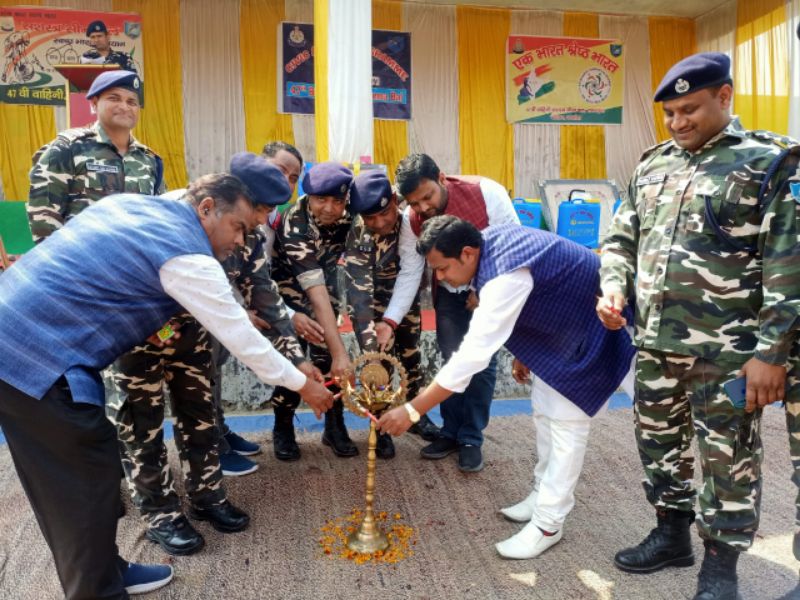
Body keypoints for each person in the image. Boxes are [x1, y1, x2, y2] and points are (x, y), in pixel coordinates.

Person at [0, 176, 332, 599]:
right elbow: (245, 342)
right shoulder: (188, 255)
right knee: (84, 484)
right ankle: (97, 589)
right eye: (239, 227)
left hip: (16, 339)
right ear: (207, 208)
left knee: (65, 482)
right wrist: (305, 385)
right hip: (34, 360)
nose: (240, 241)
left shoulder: (139, 205)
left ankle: (107, 570)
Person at [596, 52, 800, 600]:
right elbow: (621, 239)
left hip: (729, 352)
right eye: (670, 114)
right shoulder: (652, 164)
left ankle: (720, 567)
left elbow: (789, 262)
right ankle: (670, 536)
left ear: (725, 97)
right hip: (658, 343)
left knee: (726, 459)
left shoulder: (771, 161)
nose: (678, 122)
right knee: (657, 442)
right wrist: (613, 286)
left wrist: (771, 353)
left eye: (690, 109)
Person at [378, 215, 635, 559]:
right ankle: (542, 492)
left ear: (467, 254)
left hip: (604, 324)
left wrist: (413, 409)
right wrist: (524, 349)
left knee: (568, 426)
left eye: (441, 269)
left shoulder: (504, 275)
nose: (439, 278)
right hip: (563, 330)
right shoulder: (486, 243)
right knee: (545, 410)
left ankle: (548, 523)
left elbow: (471, 356)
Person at [107, 159, 323, 556]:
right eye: (258, 210)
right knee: (142, 427)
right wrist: (298, 380)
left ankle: (208, 496)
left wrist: (297, 360)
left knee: (201, 417)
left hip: (193, 336)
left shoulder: (250, 236)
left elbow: (264, 295)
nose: (261, 221)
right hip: (138, 335)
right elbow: (241, 332)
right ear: (232, 198)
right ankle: (161, 514)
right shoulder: (172, 213)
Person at [387, 153, 520, 472]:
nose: (422, 208)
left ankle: (471, 437)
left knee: (481, 364)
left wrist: (483, 287)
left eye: (427, 197)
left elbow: (513, 245)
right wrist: (390, 320)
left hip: (490, 293)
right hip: (448, 292)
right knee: (452, 360)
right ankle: (450, 432)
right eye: (414, 203)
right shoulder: (411, 218)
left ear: (443, 178)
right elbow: (409, 272)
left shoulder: (487, 192)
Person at [211, 141, 326, 466]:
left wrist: (301, 366)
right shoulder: (210, 217)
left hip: (233, 307)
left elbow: (261, 289)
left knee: (210, 374)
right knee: (194, 382)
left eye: (293, 177)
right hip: (174, 315)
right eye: (280, 171)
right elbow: (219, 284)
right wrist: (301, 381)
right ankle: (210, 453)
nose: (264, 219)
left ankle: (217, 434)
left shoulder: (261, 226)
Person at [344, 170, 441, 459]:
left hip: (405, 299)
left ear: (395, 201)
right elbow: (359, 293)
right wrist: (371, 342)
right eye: (370, 218)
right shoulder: (359, 233)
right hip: (369, 306)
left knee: (411, 357)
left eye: (384, 213)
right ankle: (381, 424)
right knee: (377, 367)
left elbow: (413, 271)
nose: (379, 222)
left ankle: (415, 414)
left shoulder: (410, 222)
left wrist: (394, 318)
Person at [271, 162, 359, 459]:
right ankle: (283, 426)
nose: (330, 208)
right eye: (322, 199)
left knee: (326, 363)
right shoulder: (294, 222)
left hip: (328, 294)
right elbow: (313, 290)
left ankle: (334, 426)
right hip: (290, 298)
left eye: (337, 201)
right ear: (308, 196)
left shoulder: (351, 213)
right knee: (293, 362)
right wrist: (340, 351)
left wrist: (335, 354)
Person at [27, 70, 162, 243]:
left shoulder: (148, 159)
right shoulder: (68, 148)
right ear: (94, 103)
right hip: (81, 264)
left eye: (132, 102)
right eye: (114, 98)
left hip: (134, 265)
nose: (125, 106)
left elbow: (158, 216)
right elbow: (43, 217)